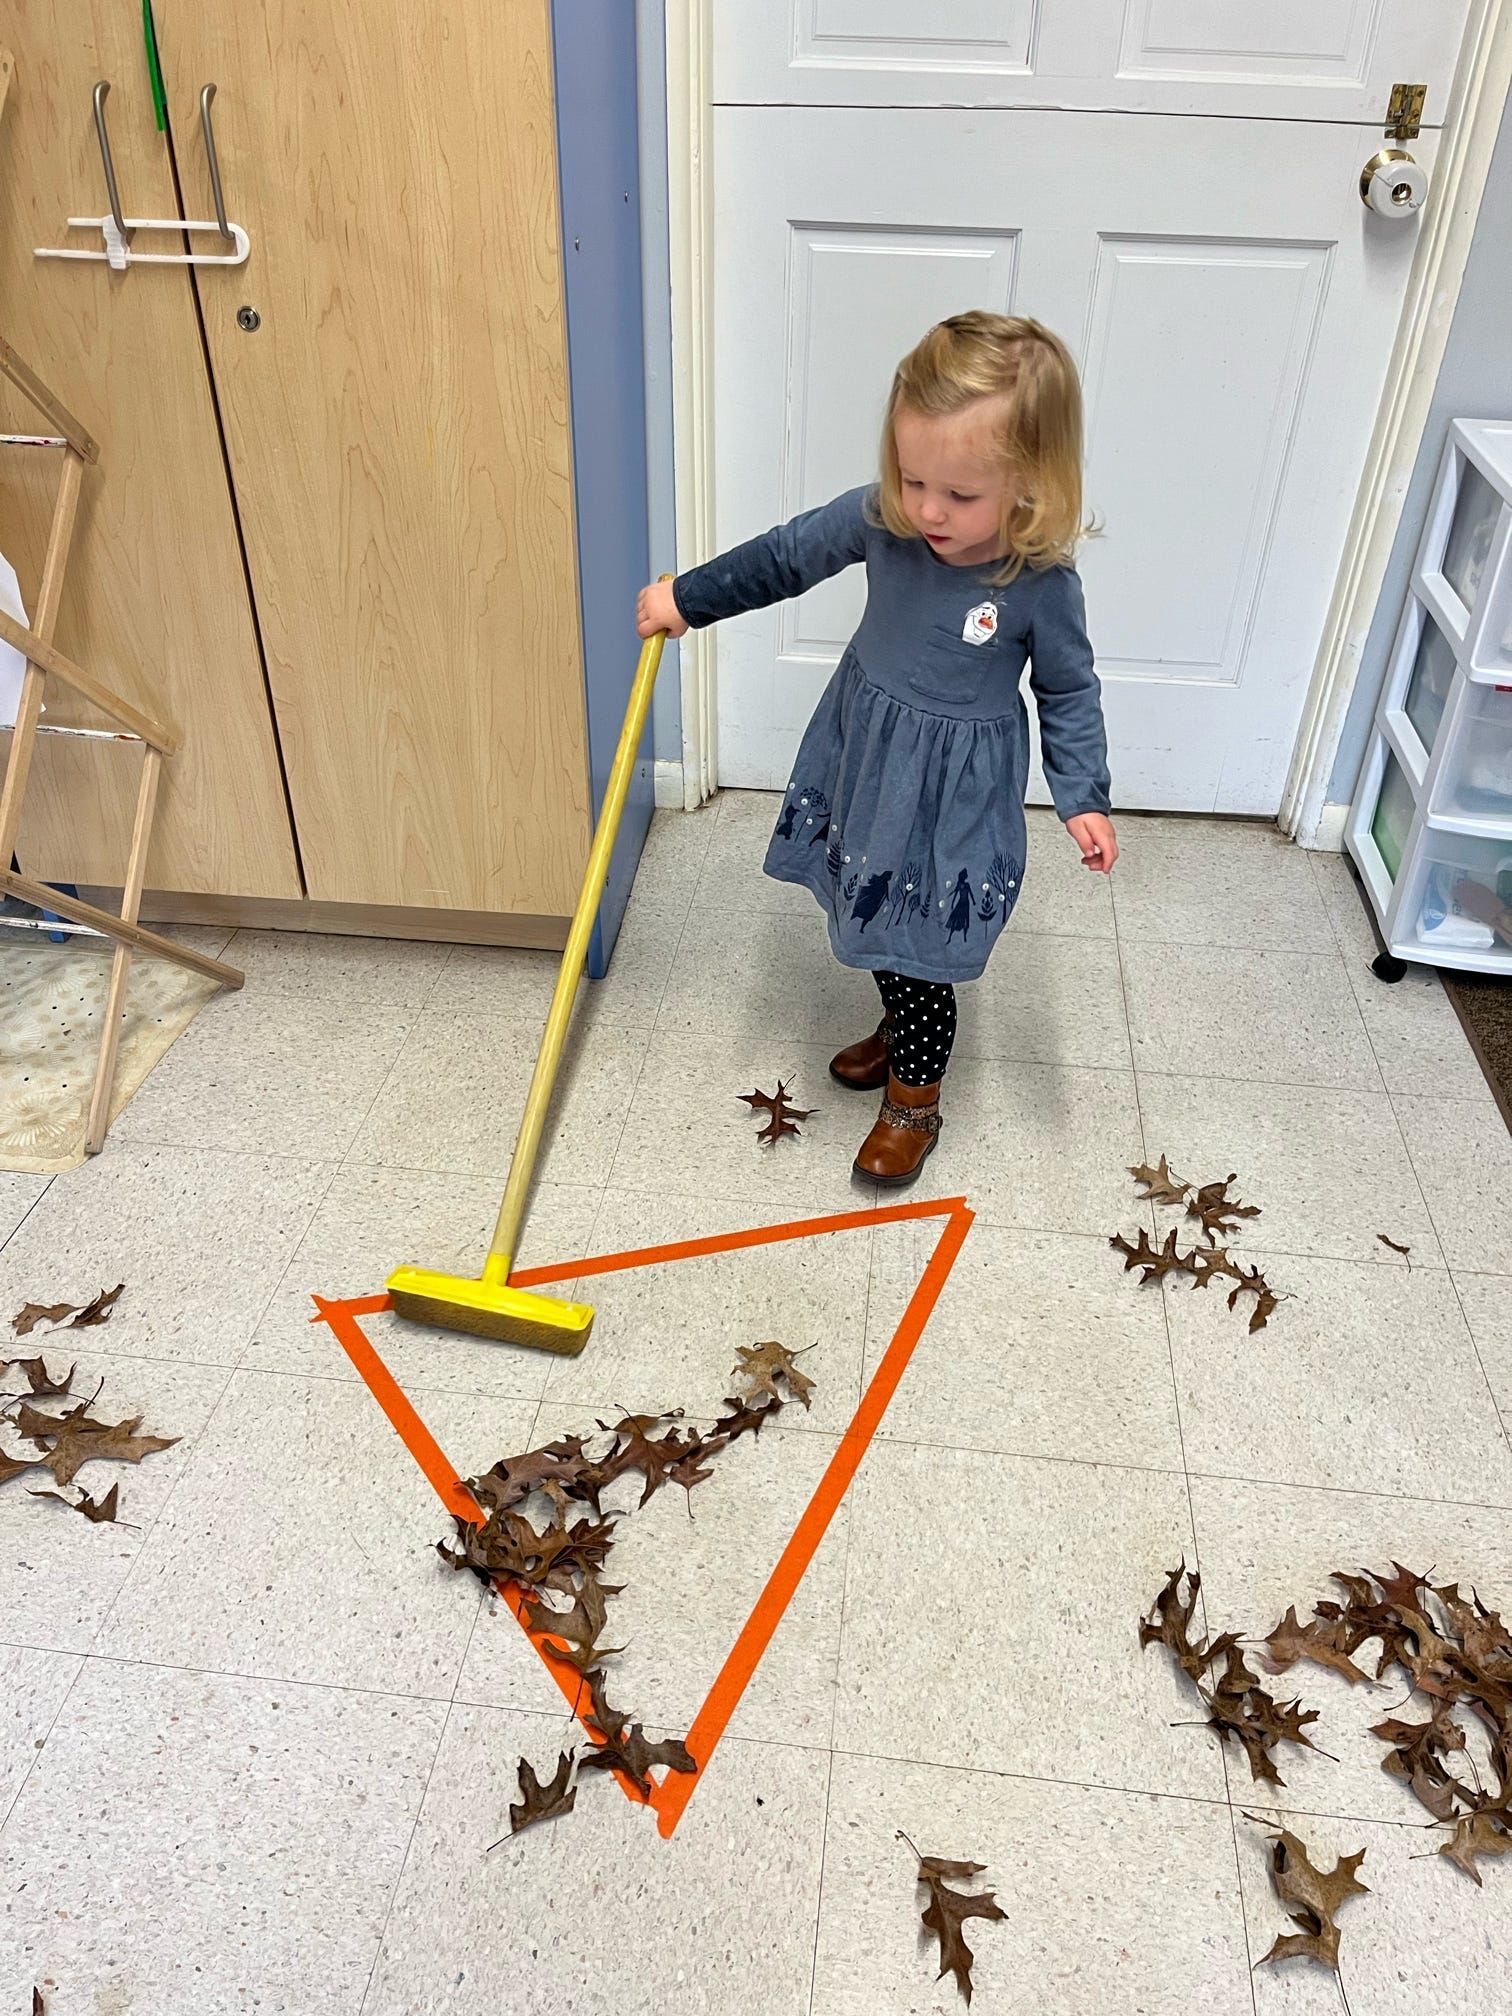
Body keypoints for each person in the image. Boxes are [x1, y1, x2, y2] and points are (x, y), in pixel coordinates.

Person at [636, 311, 1118, 1185]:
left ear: (1030, 483)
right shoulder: (882, 520)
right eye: (911, 476)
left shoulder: (1040, 583)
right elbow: (782, 558)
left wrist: (1082, 794)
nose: (927, 509)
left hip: (954, 796)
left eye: (960, 495)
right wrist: (689, 600)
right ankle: (898, 1028)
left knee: (924, 947)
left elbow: (1069, 691)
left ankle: (915, 1103)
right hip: (869, 758)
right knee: (876, 915)